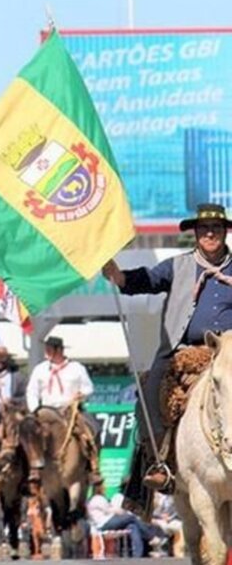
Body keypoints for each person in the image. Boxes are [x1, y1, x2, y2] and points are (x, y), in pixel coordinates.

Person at [103, 202, 232, 500]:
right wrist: (118, 276)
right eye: (204, 229)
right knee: (150, 393)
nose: (210, 234)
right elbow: (147, 280)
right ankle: (159, 464)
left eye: (216, 228)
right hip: (181, 350)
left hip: (229, 352)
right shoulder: (178, 265)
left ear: (224, 233)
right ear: (196, 234)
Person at [25, 336, 102, 484]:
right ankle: (32, 468)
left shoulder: (76, 368)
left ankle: (93, 467)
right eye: (46, 349)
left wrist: (81, 395)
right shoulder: (40, 369)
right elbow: (32, 391)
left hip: (69, 410)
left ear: (59, 350)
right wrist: (35, 410)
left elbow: (88, 388)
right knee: (28, 432)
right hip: (45, 411)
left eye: (50, 349)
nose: (47, 352)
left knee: (90, 430)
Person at [86, 481, 162, 558]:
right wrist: (121, 511)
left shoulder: (102, 498)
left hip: (110, 520)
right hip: (104, 523)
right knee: (131, 517)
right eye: (103, 486)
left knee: (132, 526)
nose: (105, 488)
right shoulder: (97, 499)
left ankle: (138, 554)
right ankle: (151, 536)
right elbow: (111, 511)